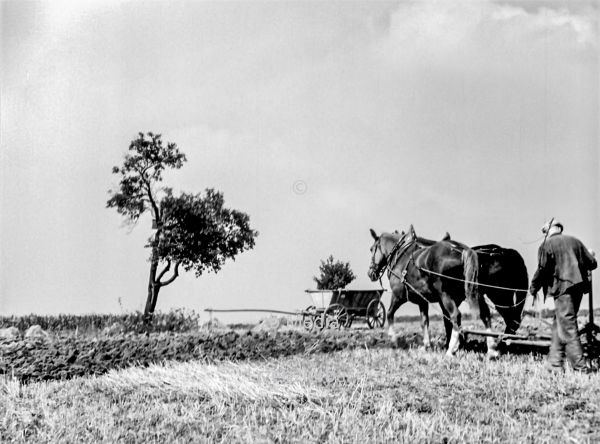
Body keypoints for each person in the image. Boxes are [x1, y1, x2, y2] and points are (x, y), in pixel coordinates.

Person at [530, 219, 597, 373]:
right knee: (559, 324)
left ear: (547, 232)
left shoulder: (546, 246)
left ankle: (580, 368)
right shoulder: (575, 241)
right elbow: (592, 263)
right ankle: (554, 363)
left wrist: (533, 288)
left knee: (568, 327)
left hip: (563, 290)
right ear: (559, 229)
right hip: (578, 289)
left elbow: (542, 270)